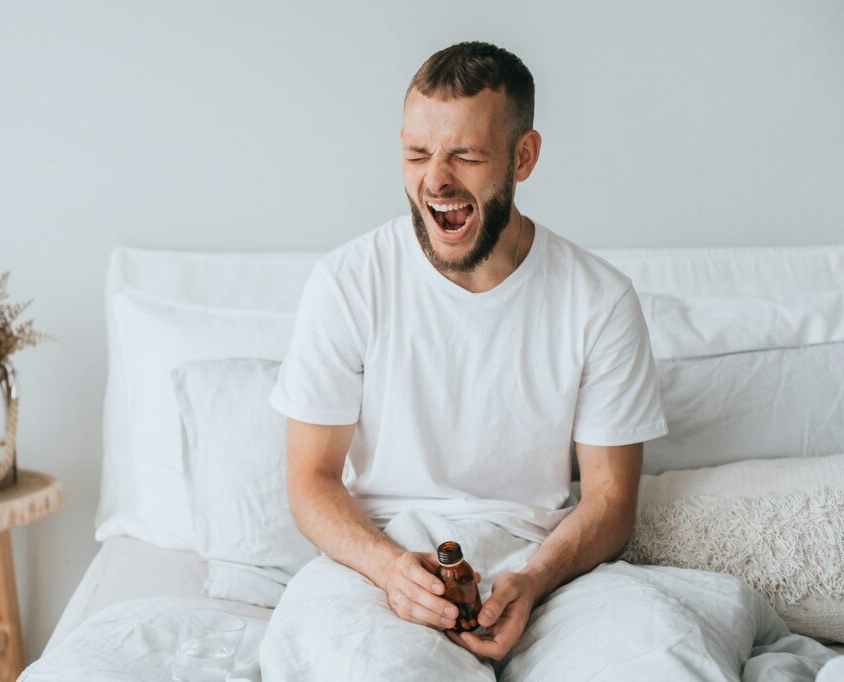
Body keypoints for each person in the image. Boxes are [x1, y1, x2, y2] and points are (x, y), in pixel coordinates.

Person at [259, 41, 669, 679]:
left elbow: (612, 500)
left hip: (543, 565)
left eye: (466, 156)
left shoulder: (600, 299)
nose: (435, 181)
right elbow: (310, 480)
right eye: (417, 154)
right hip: (380, 562)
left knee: (663, 656)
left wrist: (533, 581)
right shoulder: (347, 281)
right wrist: (393, 569)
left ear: (523, 157)